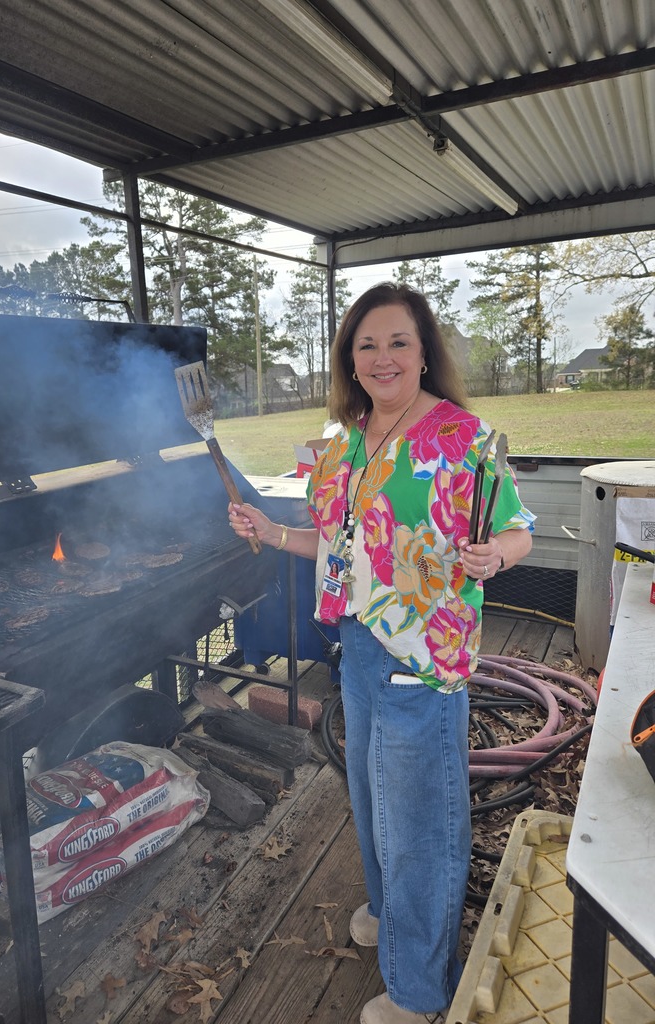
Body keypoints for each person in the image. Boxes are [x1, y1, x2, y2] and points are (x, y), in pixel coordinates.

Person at [229, 282, 534, 1024]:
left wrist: (494, 554)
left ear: (423, 351)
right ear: (350, 360)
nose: (383, 356)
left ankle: (420, 992)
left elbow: (520, 528)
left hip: (423, 657)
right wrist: (272, 534)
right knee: (372, 802)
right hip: (358, 645)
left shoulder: (463, 436)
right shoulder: (344, 440)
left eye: (398, 341)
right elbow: (336, 548)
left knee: (422, 827)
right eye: (367, 344)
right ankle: (392, 921)